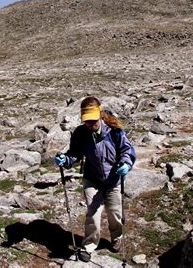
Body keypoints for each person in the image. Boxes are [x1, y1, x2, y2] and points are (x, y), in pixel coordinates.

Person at [54, 96, 136, 262]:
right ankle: (89, 245)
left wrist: (126, 163)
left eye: (93, 120)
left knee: (115, 213)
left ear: (100, 114)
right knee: (93, 213)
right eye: (87, 121)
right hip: (92, 179)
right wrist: (65, 160)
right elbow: (74, 154)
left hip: (113, 179)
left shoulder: (114, 131)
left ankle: (116, 238)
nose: (91, 124)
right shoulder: (80, 133)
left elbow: (127, 150)